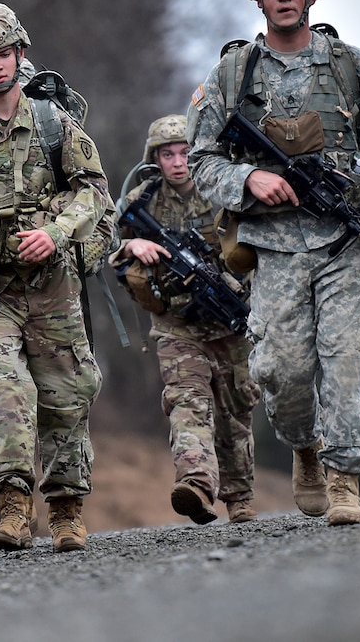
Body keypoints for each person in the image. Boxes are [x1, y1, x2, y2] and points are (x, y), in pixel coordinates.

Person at [187, 0, 360, 525]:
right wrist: (249, 180)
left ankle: (345, 480)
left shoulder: (353, 68)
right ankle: (306, 449)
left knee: (344, 358)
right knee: (281, 372)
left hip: (350, 242)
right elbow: (200, 159)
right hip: (273, 247)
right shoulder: (233, 74)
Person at [0, 2, 113, 552]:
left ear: (20, 55)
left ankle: (66, 511)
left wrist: (56, 232)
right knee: (1, 382)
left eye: (4, 53)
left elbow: (95, 192)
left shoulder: (55, 124)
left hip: (54, 286)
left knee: (63, 396)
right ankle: (13, 505)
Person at [110, 114, 260, 524]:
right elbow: (105, 240)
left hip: (231, 322)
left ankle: (240, 497)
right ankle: (195, 484)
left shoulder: (222, 191)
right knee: (187, 403)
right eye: (167, 153)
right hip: (176, 325)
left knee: (235, 412)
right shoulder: (141, 201)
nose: (178, 161)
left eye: (186, 152)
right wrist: (132, 244)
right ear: (154, 158)